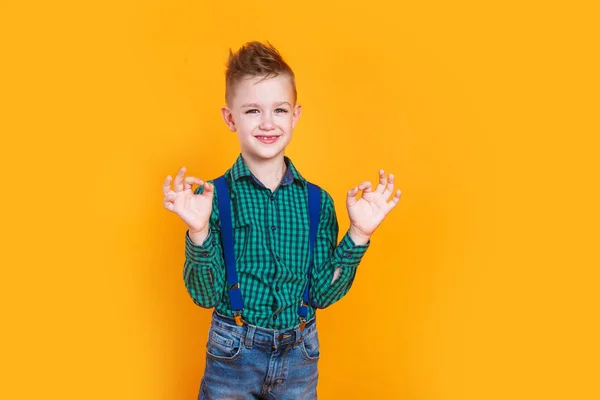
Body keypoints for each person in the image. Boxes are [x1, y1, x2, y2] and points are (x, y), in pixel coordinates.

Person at [162, 41, 402, 399]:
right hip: (233, 355)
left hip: (299, 356)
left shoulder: (318, 202)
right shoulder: (211, 200)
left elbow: (322, 292)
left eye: (279, 109)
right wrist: (198, 230)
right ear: (230, 118)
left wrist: (358, 234)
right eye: (252, 111)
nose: (268, 123)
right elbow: (205, 294)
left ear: (295, 116)